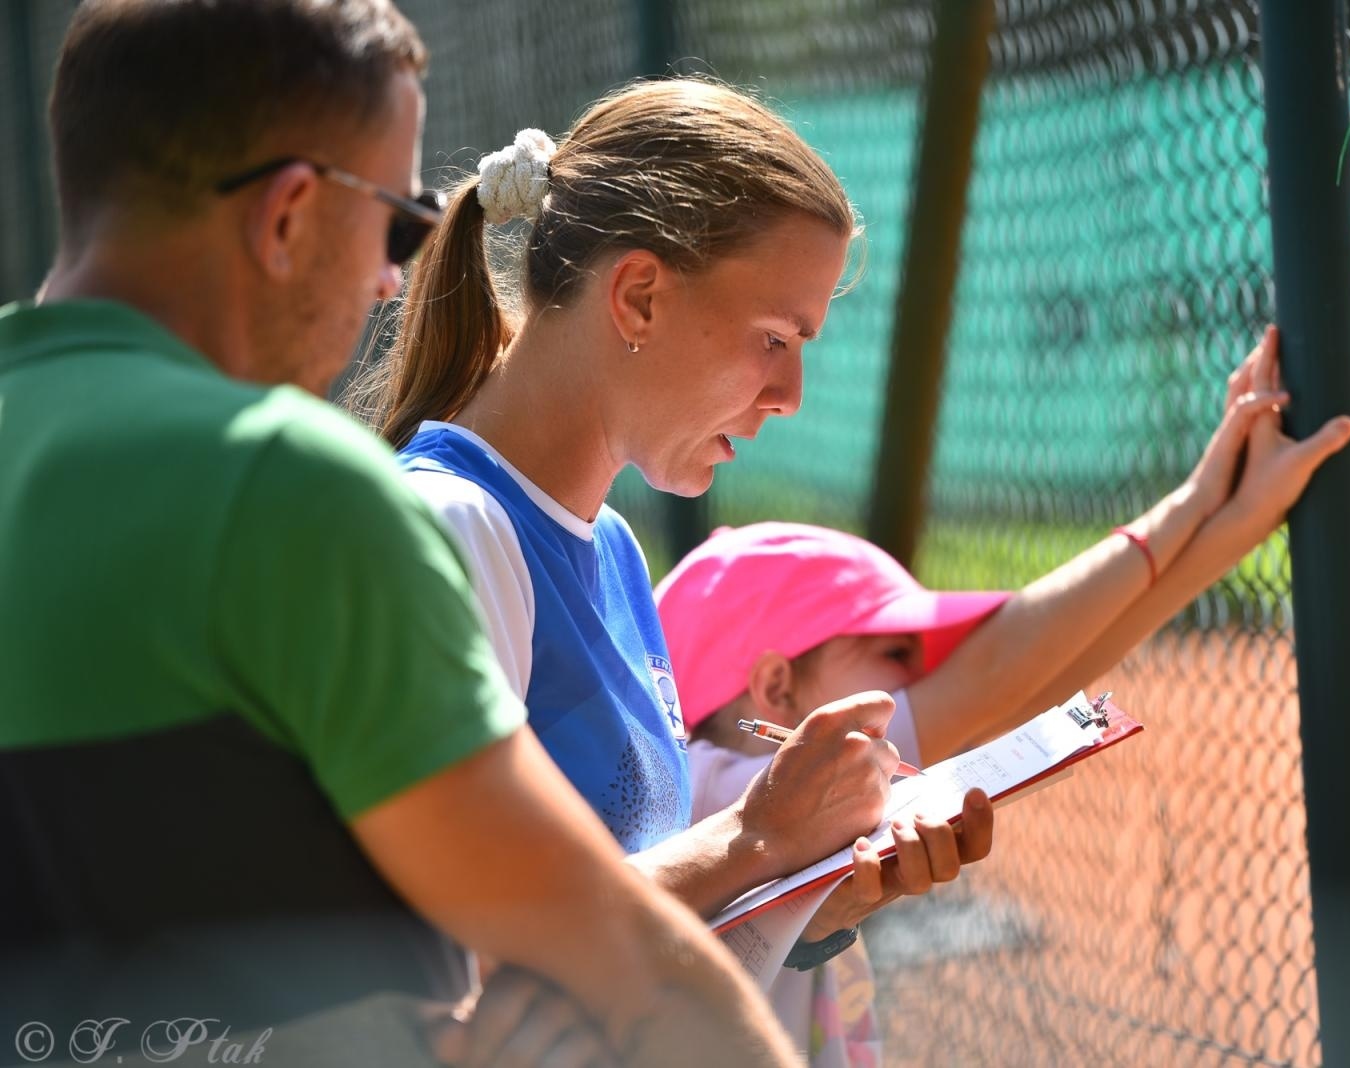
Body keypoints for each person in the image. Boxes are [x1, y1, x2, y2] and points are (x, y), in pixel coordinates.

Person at [0, 4, 801, 1065]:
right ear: (289, 213)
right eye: (396, 225)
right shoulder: (283, 482)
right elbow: (614, 950)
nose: (393, 278)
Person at [353, 79, 994, 987]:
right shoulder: (449, 531)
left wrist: (813, 900)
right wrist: (755, 836)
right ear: (640, 298)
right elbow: (461, 960)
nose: (791, 395)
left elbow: (625, 914)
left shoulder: (611, 547)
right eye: (774, 338)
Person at [653, 325, 1350, 1064]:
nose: (930, 682)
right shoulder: (712, 791)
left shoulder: (783, 792)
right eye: (894, 653)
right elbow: (996, 678)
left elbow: (1038, 688)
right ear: (776, 686)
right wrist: (1198, 495)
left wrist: (1244, 516)